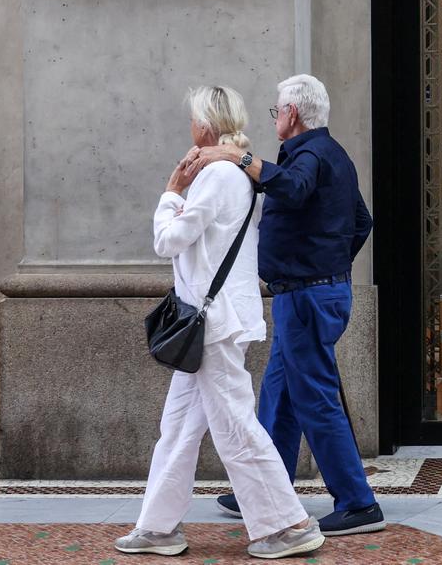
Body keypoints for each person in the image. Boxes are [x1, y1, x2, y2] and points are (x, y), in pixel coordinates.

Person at [116, 86, 324, 559]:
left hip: (211, 325)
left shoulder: (217, 178)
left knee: (235, 427)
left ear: (204, 127)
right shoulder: (235, 174)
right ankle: (157, 527)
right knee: (179, 427)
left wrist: (170, 195)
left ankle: (288, 525)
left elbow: (169, 242)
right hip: (216, 320)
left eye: (193, 119)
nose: (189, 127)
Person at [189, 75, 384, 537]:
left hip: (307, 296)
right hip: (311, 292)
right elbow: (362, 220)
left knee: (314, 398)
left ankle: (358, 502)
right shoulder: (333, 153)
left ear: (292, 114)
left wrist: (241, 157)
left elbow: (293, 189)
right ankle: (260, 489)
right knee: (280, 394)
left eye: (277, 111)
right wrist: (330, 266)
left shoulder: (311, 156)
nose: (275, 118)